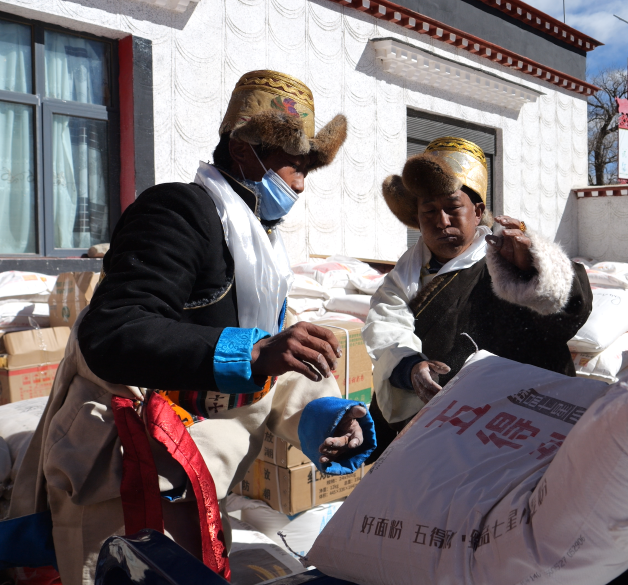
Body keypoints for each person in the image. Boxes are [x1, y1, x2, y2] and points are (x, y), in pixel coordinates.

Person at [2, 70, 374, 585]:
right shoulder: (177, 211)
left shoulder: (261, 250)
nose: (300, 184)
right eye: (293, 164)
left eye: (309, 170)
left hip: (197, 478)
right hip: (125, 475)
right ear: (244, 150)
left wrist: (330, 416)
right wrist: (253, 353)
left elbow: (275, 357)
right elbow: (114, 331)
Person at [363, 137, 592, 451]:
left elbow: (568, 315)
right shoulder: (403, 276)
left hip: (518, 432)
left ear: (477, 211)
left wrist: (534, 271)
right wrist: (410, 368)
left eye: (452, 208)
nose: (441, 221)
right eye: (429, 211)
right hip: (442, 437)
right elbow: (385, 328)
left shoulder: (506, 262)